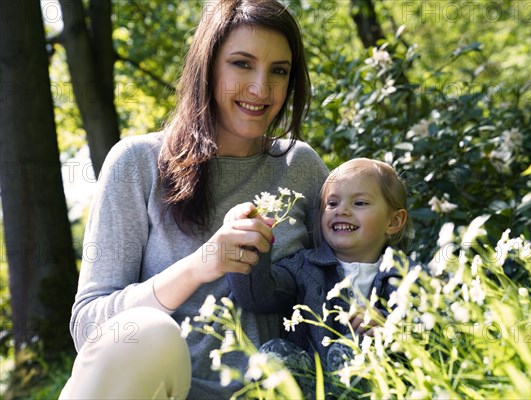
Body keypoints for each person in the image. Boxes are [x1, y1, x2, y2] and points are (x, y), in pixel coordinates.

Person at [59, 1, 328, 399]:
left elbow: (345, 275)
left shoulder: (300, 166)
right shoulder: (138, 163)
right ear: (208, 66)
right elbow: (89, 328)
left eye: (279, 71)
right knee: (150, 333)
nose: (261, 88)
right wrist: (201, 264)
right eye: (241, 63)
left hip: (271, 391)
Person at [228, 158, 415, 393]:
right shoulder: (304, 266)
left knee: (353, 350)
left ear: (394, 221)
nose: (342, 211)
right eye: (332, 203)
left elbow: (431, 328)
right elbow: (258, 296)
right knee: (272, 354)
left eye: (359, 202)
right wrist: (253, 245)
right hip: (311, 384)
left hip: (374, 385)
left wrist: (390, 325)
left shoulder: (407, 276)